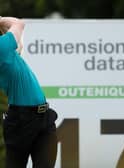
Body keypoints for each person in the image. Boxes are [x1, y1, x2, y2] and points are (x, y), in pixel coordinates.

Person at [0, 16, 58, 168]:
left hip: (44, 117)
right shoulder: (1, 48)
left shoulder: (6, 51)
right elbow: (18, 23)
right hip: (21, 120)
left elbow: (17, 41)